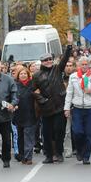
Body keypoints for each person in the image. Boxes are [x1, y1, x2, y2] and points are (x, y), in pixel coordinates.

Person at [33, 32, 73, 164]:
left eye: (50, 59)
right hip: (46, 108)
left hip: (59, 106)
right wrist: (42, 100)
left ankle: (59, 153)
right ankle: (49, 155)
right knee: (47, 133)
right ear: (42, 62)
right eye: (45, 60)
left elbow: (65, 58)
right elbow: (33, 90)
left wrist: (69, 45)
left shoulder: (57, 69)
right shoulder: (37, 75)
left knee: (59, 131)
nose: (48, 61)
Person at [64, 57, 91, 165]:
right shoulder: (73, 77)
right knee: (77, 131)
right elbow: (69, 93)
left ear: (89, 65)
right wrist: (66, 108)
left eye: (86, 64)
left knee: (89, 133)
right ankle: (79, 150)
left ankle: (86, 156)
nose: (84, 66)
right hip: (77, 108)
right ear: (79, 65)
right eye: (82, 64)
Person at [13, 67, 37, 165]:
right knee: (20, 136)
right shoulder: (15, 86)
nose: (23, 75)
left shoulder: (32, 85)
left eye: (25, 74)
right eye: (21, 74)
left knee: (29, 136)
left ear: (28, 75)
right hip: (18, 114)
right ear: (18, 76)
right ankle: (22, 155)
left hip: (30, 114)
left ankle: (28, 157)